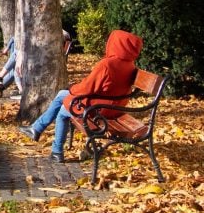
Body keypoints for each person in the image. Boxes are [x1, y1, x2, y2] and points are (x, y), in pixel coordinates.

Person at [19, 29, 143, 163]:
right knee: (62, 95)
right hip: (113, 108)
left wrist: (72, 88)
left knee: (63, 111)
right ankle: (37, 129)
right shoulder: (130, 65)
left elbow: (87, 88)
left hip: (98, 109)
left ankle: (55, 150)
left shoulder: (107, 65)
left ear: (117, 44)